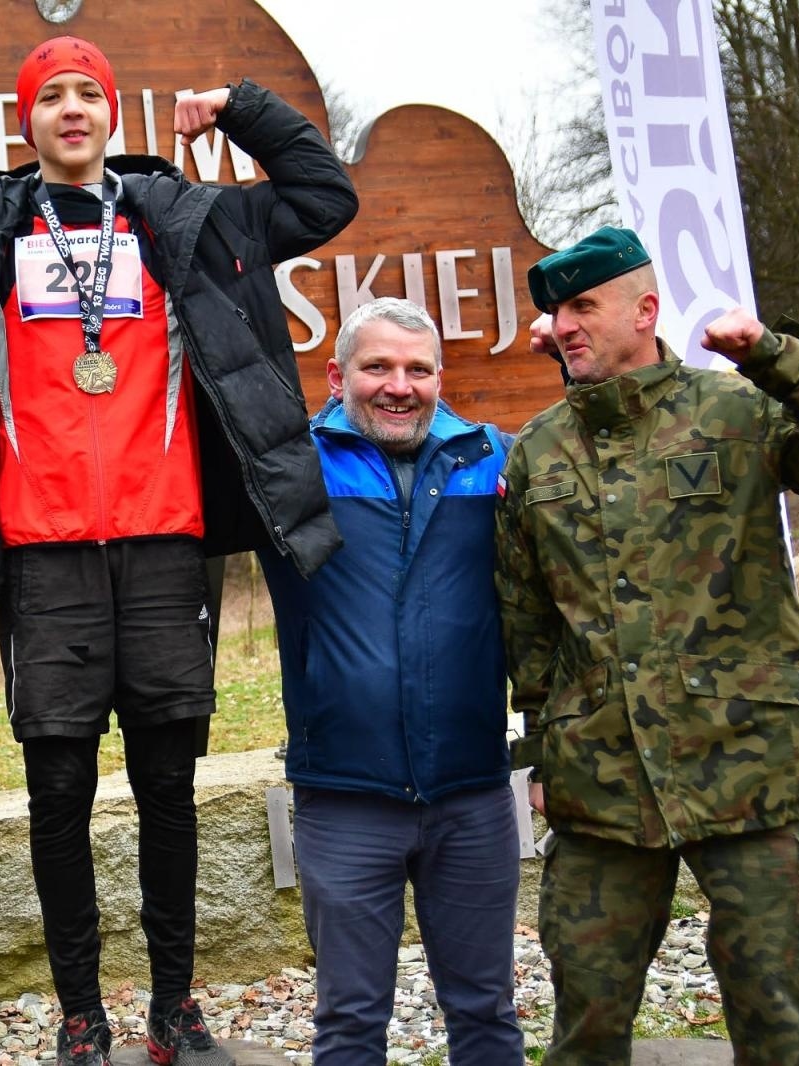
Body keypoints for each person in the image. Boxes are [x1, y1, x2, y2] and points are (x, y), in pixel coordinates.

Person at [0, 35, 357, 1066]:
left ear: (113, 111)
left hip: (165, 543)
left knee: (168, 788)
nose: (73, 109)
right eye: (52, 97)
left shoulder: (187, 218)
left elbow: (324, 197)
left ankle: (175, 1010)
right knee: (58, 794)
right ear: (27, 121)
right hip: (43, 554)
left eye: (90, 92)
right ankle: (80, 1014)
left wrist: (239, 106)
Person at [494, 226, 799, 1063]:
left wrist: (773, 356)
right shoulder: (538, 452)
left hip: (753, 770)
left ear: (644, 310)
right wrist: (540, 754)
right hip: (602, 787)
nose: (564, 324)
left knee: (789, 1030)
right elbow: (529, 621)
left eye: (585, 306)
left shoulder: (737, 411)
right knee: (585, 1030)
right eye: (557, 311)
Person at [258, 298, 524, 1065]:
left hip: (472, 795)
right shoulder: (289, 470)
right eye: (377, 367)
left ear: (440, 377)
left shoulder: (494, 460)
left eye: (418, 369)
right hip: (345, 796)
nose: (399, 385)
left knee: (487, 1013)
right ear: (336, 376)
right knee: (349, 1022)